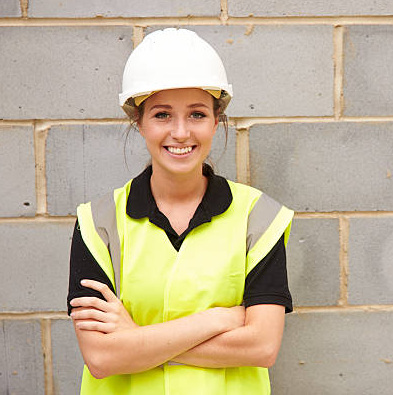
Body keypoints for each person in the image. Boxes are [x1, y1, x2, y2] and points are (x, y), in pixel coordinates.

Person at [66, 28, 294, 394]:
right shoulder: (98, 223)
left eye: (197, 114)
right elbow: (102, 358)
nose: (181, 132)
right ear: (138, 122)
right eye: (162, 115)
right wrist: (218, 318)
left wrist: (137, 341)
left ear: (216, 121)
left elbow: (262, 347)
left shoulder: (259, 218)